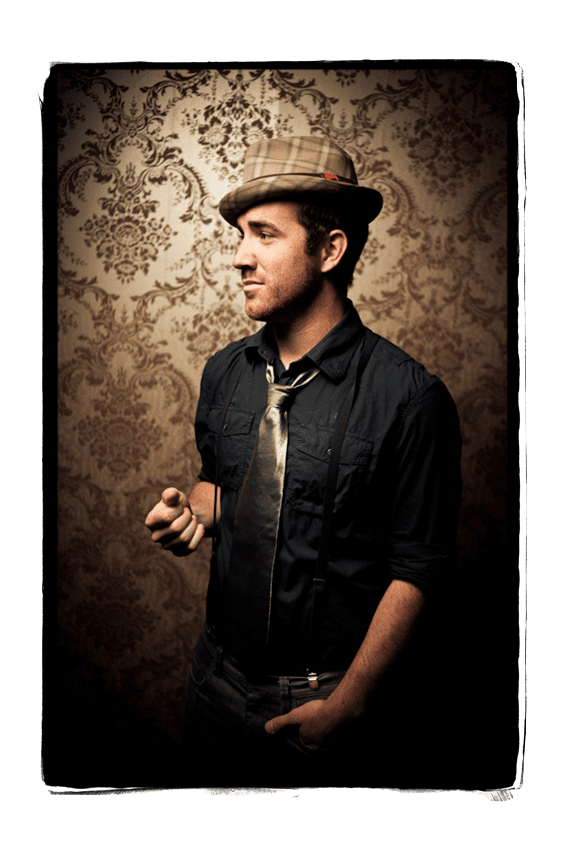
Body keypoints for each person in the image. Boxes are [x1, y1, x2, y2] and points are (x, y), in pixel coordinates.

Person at [145, 136, 461, 788]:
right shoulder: (224, 372)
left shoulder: (411, 399)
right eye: (240, 235)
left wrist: (351, 701)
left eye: (264, 234)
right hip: (213, 681)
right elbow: (221, 485)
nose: (239, 256)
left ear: (330, 249)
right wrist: (190, 513)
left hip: (328, 700)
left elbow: (419, 568)